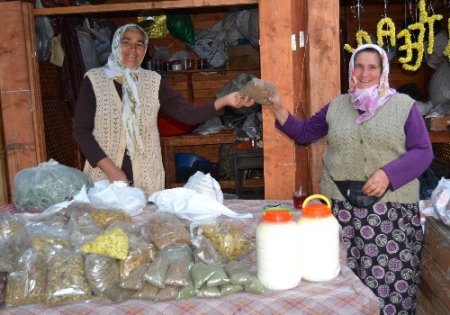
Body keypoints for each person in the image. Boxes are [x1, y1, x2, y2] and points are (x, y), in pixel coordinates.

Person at [266, 43, 433, 314]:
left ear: (382, 71)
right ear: (351, 70)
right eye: (359, 66)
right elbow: (305, 133)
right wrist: (277, 107)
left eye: (372, 67)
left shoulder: (404, 106)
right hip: (339, 212)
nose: (365, 73)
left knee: (390, 288)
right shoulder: (336, 106)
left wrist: (388, 175)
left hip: (389, 213)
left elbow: (423, 152)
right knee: (339, 286)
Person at [73, 24, 254, 195]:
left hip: (146, 179)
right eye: (126, 42)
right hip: (104, 179)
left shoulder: (153, 81)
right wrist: (111, 170)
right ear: (115, 45)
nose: (132, 50)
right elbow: (81, 131)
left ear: (144, 50)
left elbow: (188, 114)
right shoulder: (95, 80)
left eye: (139, 44)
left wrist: (225, 101)